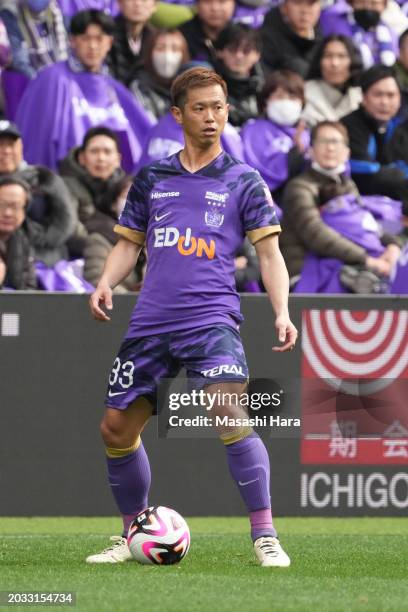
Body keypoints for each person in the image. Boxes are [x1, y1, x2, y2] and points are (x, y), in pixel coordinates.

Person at [87, 67, 297, 566]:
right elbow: (126, 245)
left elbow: (269, 256)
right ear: (178, 114)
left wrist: (282, 312)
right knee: (116, 429)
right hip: (152, 322)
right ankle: (132, 532)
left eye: (219, 107)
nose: (211, 117)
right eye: (200, 108)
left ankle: (265, 536)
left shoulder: (244, 180)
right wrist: (104, 281)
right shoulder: (153, 177)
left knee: (227, 405)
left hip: (211, 320)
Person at [15, 9, 153, 172]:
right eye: (85, 38)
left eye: (99, 39)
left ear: (109, 42)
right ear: (72, 41)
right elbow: (38, 143)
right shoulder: (52, 79)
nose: (93, 46)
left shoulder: (114, 87)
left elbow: (144, 140)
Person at [281, 120, 401, 286]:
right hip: (305, 274)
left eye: (336, 142)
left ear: (347, 152)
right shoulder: (299, 187)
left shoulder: (348, 184)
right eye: (323, 142)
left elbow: (367, 223)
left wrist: (393, 246)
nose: (330, 148)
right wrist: (367, 259)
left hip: (348, 265)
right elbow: (316, 234)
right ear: (311, 150)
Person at [0, 120, 75, 265]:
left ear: (20, 147)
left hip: (45, 257)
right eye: (0, 145)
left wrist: (37, 241)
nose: (6, 151)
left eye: (11, 144)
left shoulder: (44, 178)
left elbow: (66, 220)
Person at [341, 65, 408, 217]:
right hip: (358, 207)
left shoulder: (401, 127)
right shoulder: (348, 126)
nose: (384, 102)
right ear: (364, 98)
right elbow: (364, 173)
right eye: (378, 94)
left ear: (399, 99)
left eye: (391, 95)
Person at [241, 70, 309, 201]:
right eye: (279, 96)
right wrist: (292, 158)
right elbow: (253, 173)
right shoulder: (252, 130)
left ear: (302, 103)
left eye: (292, 97)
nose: (286, 103)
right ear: (265, 102)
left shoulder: (307, 133)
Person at [60, 126, 125, 255]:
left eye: (107, 152)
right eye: (94, 151)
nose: (101, 158)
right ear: (82, 158)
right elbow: (70, 230)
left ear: (118, 160)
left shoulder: (126, 189)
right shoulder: (65, 186)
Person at [83, 175, 144, 290]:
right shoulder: (100, 237)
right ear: (113, 204)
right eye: (128, 196)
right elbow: (97, 279)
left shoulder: (161, 237)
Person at [303, 34, 363, 126]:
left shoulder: (361, 98)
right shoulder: (303, 94)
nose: (334, 63)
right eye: (328, 56)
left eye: (342, 56)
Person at [130, 28, 189, 121]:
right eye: (160, 48)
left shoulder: (190, 87)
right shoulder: (138, 87)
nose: (167, 55)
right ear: (150, 53)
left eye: (175, 49)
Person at [320, 0, 398, 69]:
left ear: (384, 5)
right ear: (351, 3)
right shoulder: (333, 22)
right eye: (361, 2)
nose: (367, 7)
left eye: (374, 3)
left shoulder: (390, 33)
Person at [0, 0, 68, 79]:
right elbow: (20, 61)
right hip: (29, 82)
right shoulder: (11, 13)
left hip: (58, 76)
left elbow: (68, 51)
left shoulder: (57, 9)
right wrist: (44, 82)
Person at [213, 23, 264, 127]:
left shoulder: (266, 88)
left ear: (257, 55)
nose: (239, 56)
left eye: (246, 51)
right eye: (232, 49)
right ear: (220, 52)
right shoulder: (208, 85)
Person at [260, 0, 323, 78]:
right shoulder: (266, 40)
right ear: (283, 7)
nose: (305, 10)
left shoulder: (321, 35)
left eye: (311, 4)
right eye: (298, 3)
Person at [107, 0, 157, 86]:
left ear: (155, 5)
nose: (137, 4)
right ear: (119, 3)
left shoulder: (156, 39)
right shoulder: (106, 35)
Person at [0, 175, 37, 290]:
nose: (8, 213)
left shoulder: (23, 240)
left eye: (15, 206)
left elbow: (29, 290)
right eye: (1, 205)